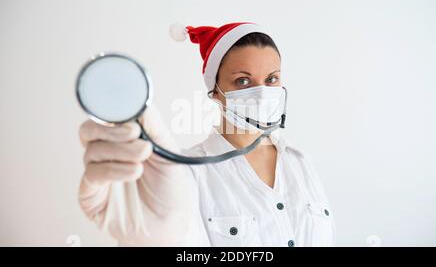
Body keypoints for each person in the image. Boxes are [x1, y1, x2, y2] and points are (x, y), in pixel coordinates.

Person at [78, 22, 336, 246]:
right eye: (243, 81)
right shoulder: (184, 174)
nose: (261, 92)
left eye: (271, 79)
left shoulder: (300, 163)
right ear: (215, 91)